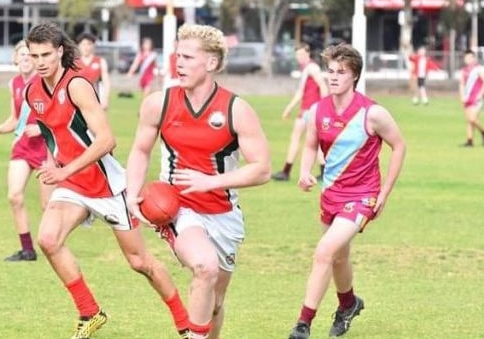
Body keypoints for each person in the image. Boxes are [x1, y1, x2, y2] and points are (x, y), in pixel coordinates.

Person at [24, 22, 188, 339]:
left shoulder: (78, 86)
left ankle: (185, 325)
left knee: (140, 262)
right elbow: (52, 139)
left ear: (60, 51)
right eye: (34, 56)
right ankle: (90, 312)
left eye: (46, 54)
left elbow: (107, 140)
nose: (40, 61)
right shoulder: (34, 92)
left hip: (106, 186)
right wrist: (51, 176)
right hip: (72, 186)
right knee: (48, 239)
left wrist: (64, 172)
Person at [126, 23, 271, 339]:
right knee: (205, 267)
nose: (179, 64)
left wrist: (211, 182)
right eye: (178, 56)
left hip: (224, 213)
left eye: (189, 58)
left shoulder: (237, 109)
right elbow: (139, 150)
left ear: (212, 63)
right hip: (178, 208)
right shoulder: (158, 103)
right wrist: (132, 194)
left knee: (215, 303)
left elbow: (262, 169)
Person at [287, 44, 406, 339]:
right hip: (331, 194)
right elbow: (312, 144)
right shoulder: (318, 110)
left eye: (341, 72)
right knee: (338, 257)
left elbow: (400, 146)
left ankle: (303, 324)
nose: (333, 77)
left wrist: (384, 194)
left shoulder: (373, 113)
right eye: (330, 71)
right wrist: (303, 171)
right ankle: (349, 304)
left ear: (354, 76)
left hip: (362, 196)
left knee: (324, 252)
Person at [0, 40, 53, 262]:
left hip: (46, 148)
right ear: (15, 59)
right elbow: (15, 120)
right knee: (14, 196)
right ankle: (27, 250)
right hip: (23, 147)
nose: (24, 58)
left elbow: (60, 116)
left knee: (47, 205)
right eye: (20, 54)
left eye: (28, 55)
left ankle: (55, 243)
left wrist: (41, 127)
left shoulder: (44, 83)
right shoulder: (13, 84)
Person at [272, 42, 328, 182]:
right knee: (308, 140)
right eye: (297, 55)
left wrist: (324, 107)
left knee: (303, 139)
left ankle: (286, 172)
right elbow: (300, 92)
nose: (299, 57)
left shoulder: (312, 68)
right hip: (306, 110)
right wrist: (289, 108)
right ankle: (322, 172)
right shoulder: (306, 69)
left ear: (308, 54)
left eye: (302, 54)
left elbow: (323, 86)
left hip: (311, 110)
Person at [459, 49, 484, 147]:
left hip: (476, 98)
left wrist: (480, 94)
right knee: (468, 119)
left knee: (472, 119)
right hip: (467, 97)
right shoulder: (464, 70)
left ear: (473, 58)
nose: (467, 59)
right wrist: (462, 95)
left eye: (469, 57)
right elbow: (462, 83)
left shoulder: (478, 69)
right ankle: (470, 140)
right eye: (465, 57)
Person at [75, 32, 111, 110]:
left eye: (89, 44)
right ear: (79, 46)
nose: (86, 47)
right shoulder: (74, 63)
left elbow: (106, 81)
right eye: (83, 44)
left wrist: (105, 98)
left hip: (95, 99)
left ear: (93, 45)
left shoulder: (100, 61)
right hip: (78, 100)